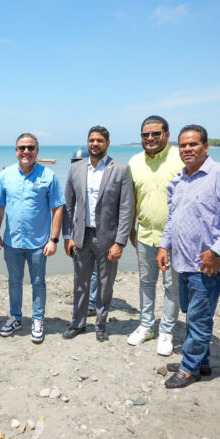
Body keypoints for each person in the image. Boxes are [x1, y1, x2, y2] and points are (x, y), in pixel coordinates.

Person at [157, 125, 220, 389]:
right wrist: (164, 246)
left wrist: (217, 251)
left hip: (208, 266)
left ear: (206, 147)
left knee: (198, 318)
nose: (187, 149)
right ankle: (202, 361)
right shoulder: (179, 180)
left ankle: (189, 369)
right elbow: (173, 217)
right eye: (183, 145)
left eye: (193, 144)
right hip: (183, 262)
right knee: (193, 314)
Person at [62, 126, 134, 342]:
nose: (95, 144)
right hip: (81, 237)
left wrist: (120, 242)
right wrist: (67, 236)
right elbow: (68, 205)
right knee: (80, 284)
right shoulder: (76, 169)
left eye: (99, 140)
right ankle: (77, 323)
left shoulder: (120, 169)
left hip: (108, 239)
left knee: (105, 285)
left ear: (107, 143)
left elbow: (126, 208)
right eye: (91, 140)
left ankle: (100, 325)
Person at [0, 133, 65, 343]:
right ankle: (15, 317)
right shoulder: (5, 175)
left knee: (38, 282)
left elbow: (57, 208)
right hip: (12, 241)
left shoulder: (49, 176)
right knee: (14, 281)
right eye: (22, 148)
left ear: (37, 151)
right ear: (16, 151)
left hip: (39, 243)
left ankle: (38, 319)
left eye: (30, 148)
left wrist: (54, 240)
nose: (26, 152)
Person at [127, 116, 184, 356]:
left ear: (167, 134)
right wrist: (130, 228)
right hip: (144, 235)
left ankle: (167, 331)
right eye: (145, 135)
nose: (150, 138)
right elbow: (132, 199)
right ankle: (146, 325)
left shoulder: (181, 157)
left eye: (155, 134)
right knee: (146, 282)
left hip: (174, 239)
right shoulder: (134, 162)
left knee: (172, 286)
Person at [70, 147, 100, 316]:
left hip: (97, 231)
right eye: (75, 162)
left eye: (80, 162)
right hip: (79, 231)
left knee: (94, 269)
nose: (77, 166)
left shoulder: (98, 180)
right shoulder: (74, 179)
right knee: (80, 267)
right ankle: (82, 299)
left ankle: (91, 303)